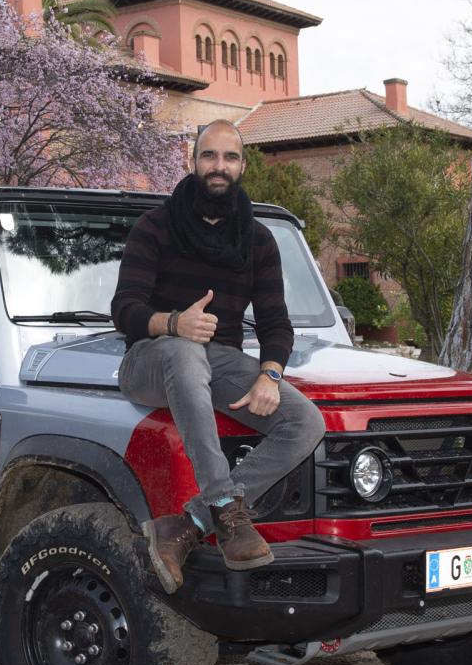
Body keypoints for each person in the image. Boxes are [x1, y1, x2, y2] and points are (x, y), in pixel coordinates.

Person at [111, 119, 326, 594]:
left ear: (242, 166)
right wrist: (173, 323)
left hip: (220, 360)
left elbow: (275, 324)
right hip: (147, 360)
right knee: (186, 353)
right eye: (209, 156)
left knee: (306, 422)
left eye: (229, 158)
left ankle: (187, 524)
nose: (219, 166)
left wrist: (270, 374)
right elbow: (123, 310)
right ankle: (226, 506)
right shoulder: (156, 226)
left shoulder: (257, 240)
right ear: (193, 161)